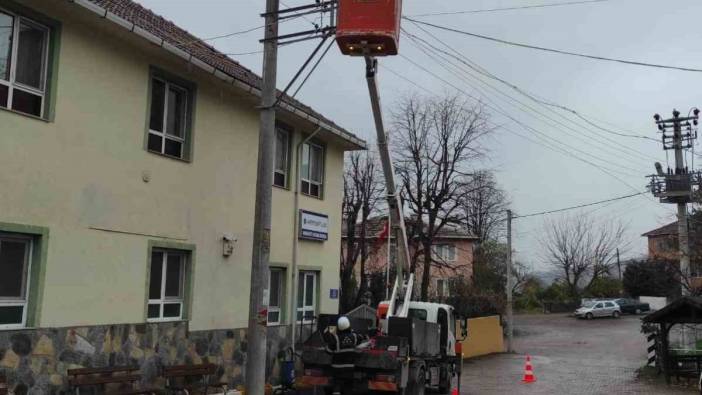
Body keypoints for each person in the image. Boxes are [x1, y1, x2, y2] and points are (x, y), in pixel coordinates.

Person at [323, 316, 368, 395]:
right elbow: (361, 337)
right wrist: (366, 336)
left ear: (339, 327)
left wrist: (326, 345)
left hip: (337, 370)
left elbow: (328, 351)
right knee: (348, 388)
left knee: (336, 386)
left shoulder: (336, 339)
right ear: (348, 325)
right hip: (349, 369)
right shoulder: (354, 337)